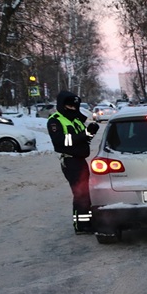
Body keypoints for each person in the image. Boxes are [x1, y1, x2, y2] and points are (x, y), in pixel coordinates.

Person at [47, 91, 99, 233]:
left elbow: (85, 140)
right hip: (70, 161)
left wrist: (91, 132)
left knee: (85, 193)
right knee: (80, 193)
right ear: (62, 105)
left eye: (75, 106)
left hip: (80, 160)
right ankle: (81, 226)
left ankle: (86, 222)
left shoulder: (76, 120)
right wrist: (84, 134)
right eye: (69, 106)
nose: (73, 108)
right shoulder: (55, 121)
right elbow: (61, 142)